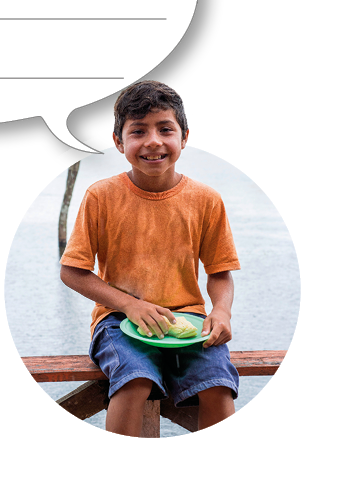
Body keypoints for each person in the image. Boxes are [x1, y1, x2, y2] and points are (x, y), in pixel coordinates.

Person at [60, 80, 241, 436]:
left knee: (218, 383)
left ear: (184, 137)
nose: (153, 141)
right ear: (119, 142)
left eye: (165, 129)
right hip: (116, 320)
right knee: (135, 381)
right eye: (138, 131)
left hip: (187, 321)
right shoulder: (101, 196)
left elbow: (220, 272)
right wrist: (129, 305)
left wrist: (221, 311)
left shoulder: (206, 200)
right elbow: (73, 271)